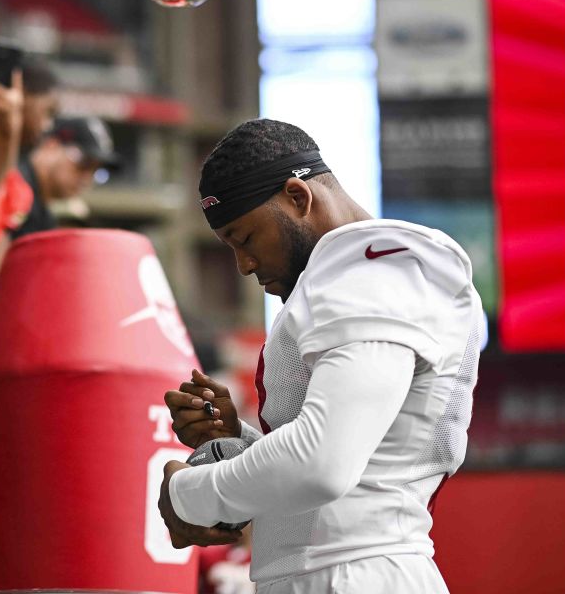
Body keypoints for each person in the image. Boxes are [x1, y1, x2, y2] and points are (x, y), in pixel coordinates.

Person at [157, 119, 482, 593]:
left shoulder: (376, 272)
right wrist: (238, 438)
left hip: (354, 574)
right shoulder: (354, 276)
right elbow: (353, 471)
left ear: (298, 196)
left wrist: (184, 495)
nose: (244, 265)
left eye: (245, 239)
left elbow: (320, 465)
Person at [14, 116, 118, 238]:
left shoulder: (44, 216)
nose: (87, 178)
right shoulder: (13, 184)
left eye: (97, 171)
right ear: (51, 145)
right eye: (84, 163)